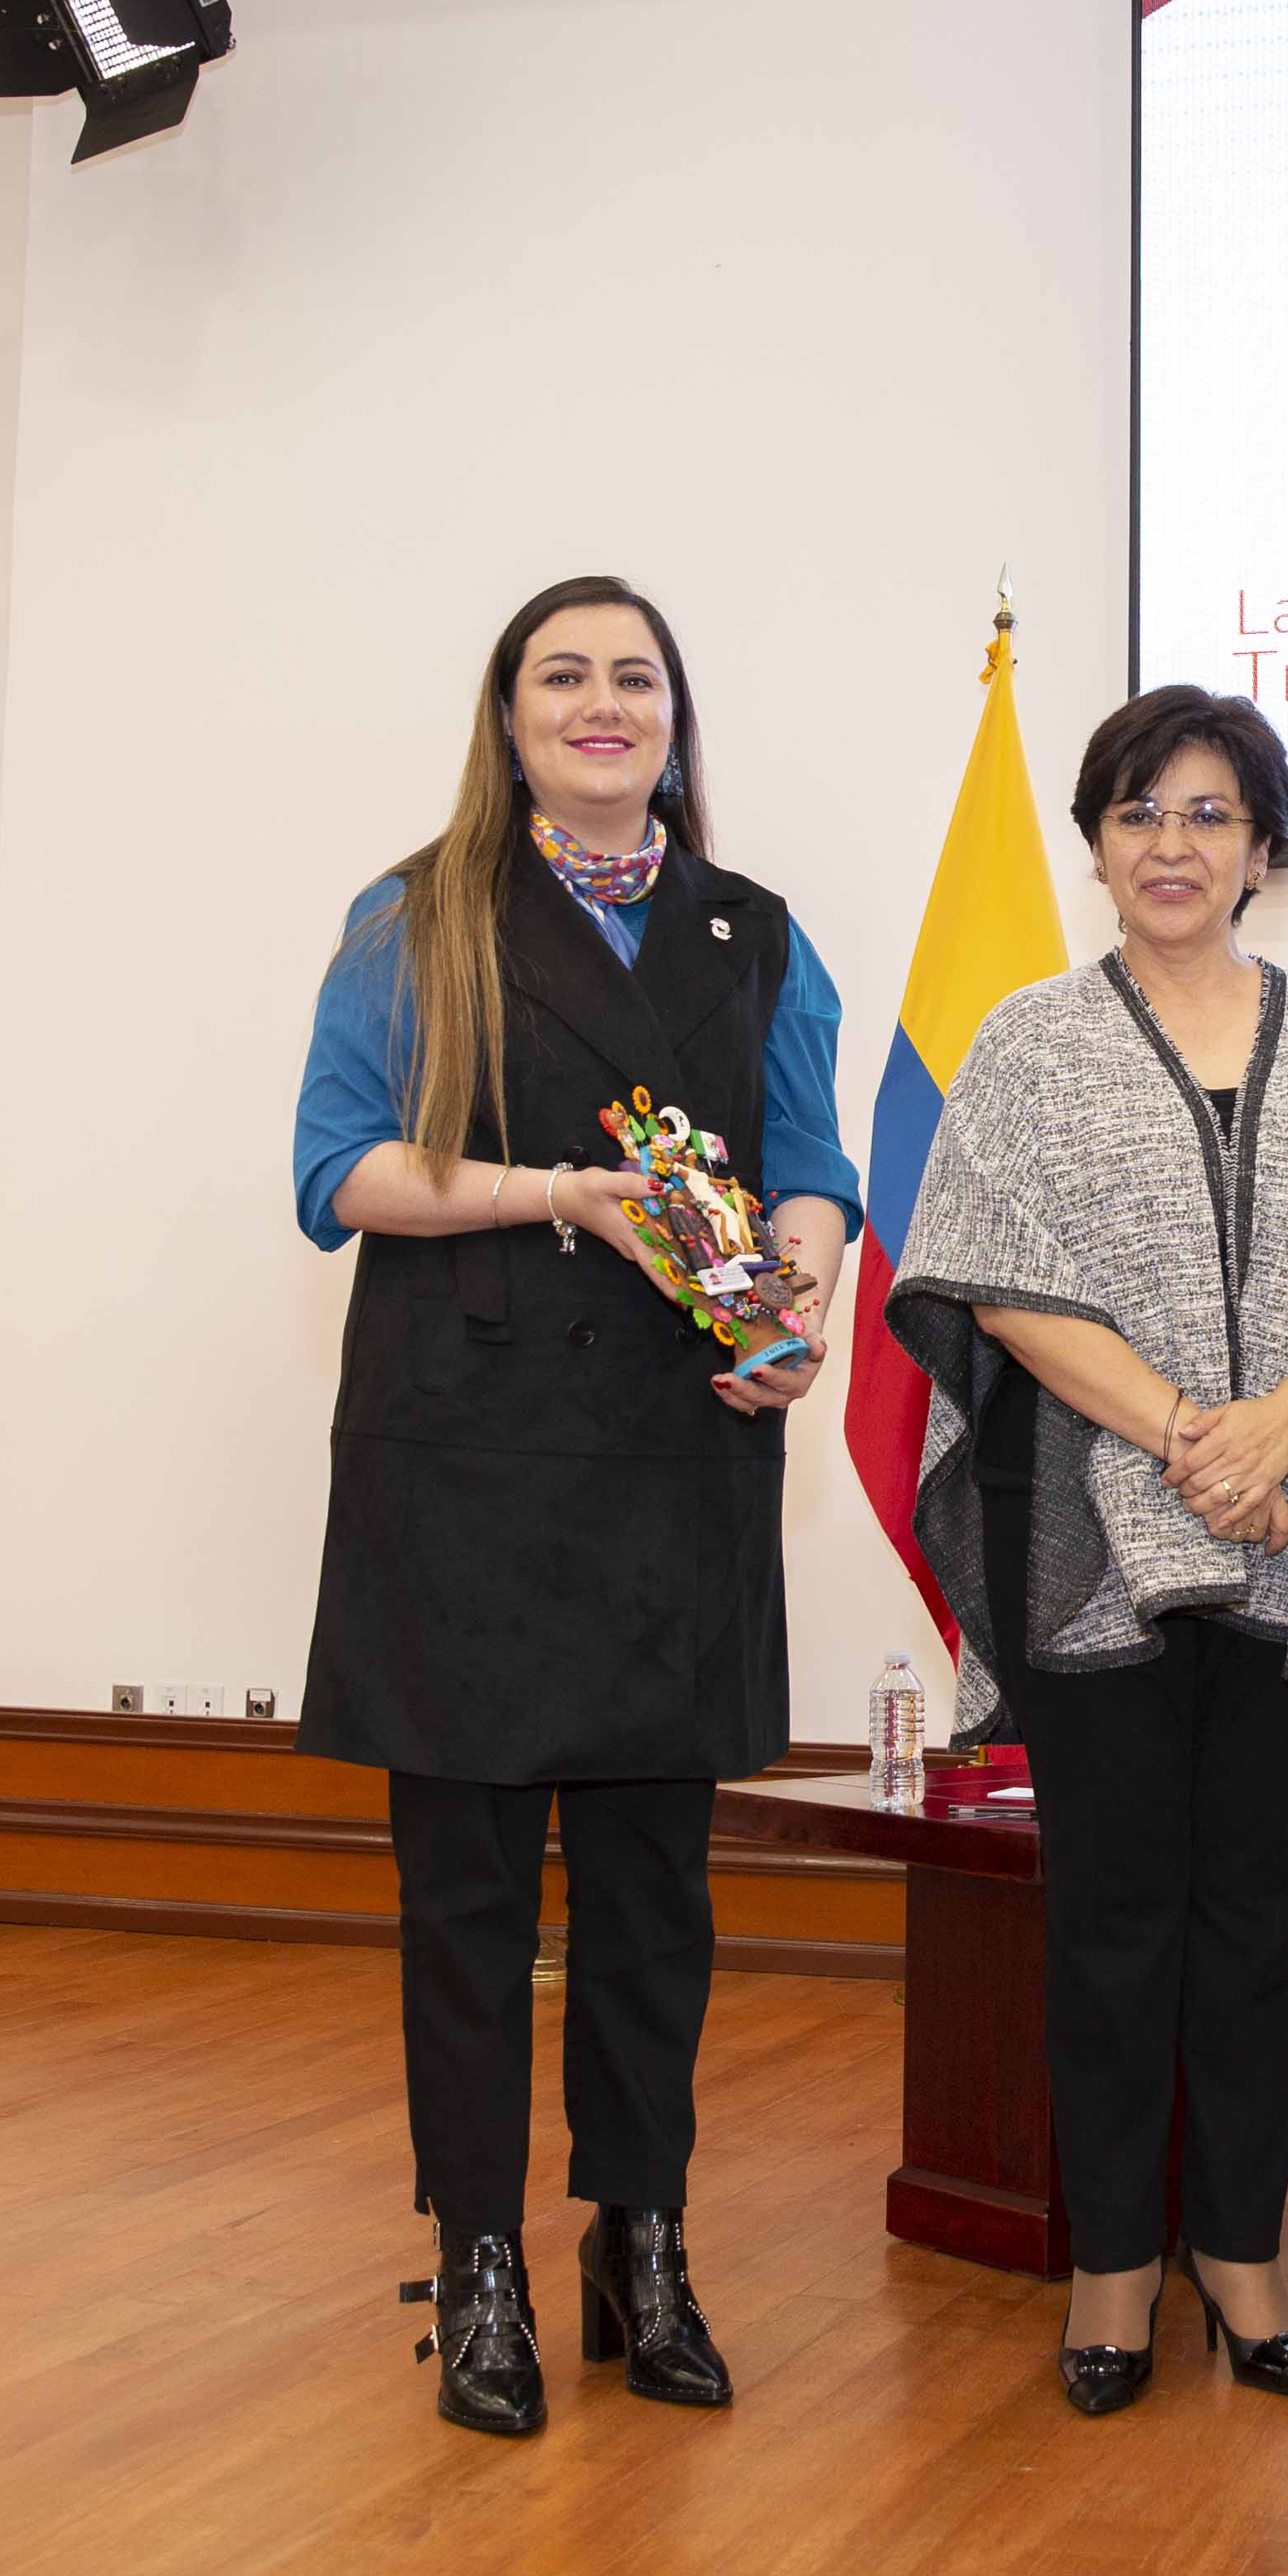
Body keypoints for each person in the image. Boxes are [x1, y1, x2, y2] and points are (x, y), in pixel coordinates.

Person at [289, 574, 861, 2438]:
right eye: (566, 678)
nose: (604, 705)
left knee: (653, 1898)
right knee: (461, 1898)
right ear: (511, 717)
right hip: (458, 1462)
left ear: (675, 720)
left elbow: (809, 1166)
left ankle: (646, 2237)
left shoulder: (757, 932)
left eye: (636, 678)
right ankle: (477, 2264)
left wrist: (800, 1281)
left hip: (678, 1460)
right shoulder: (416, 916)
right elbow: (342, 1172)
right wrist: (564, 1196)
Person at [885, 686, 1288, 2415]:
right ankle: (1109, 2269)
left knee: (1253, 1913)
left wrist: (1286, 1414)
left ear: (1263, 848)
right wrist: (1182, 1434)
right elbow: (989, 1277)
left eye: (1209, 813)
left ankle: (1241, 2254)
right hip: (1092, 1534)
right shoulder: (1028, 1043)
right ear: (1096, 841)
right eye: (1140, 811)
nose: (1173, 844)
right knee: (1111, 1916)